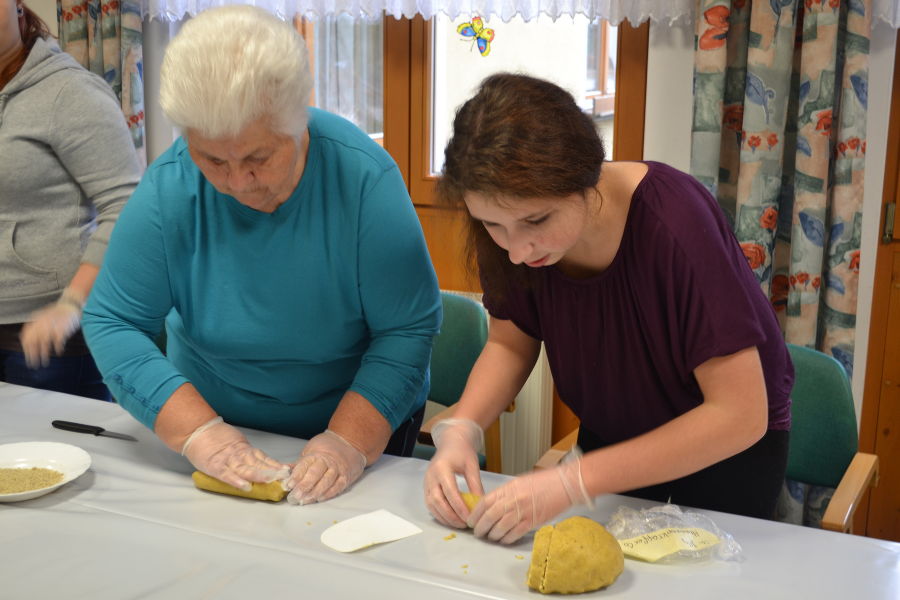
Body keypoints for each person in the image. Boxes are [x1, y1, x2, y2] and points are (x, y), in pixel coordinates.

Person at [81, 6, 441, 505]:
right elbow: (112, 321)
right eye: (212, 160)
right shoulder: (168, 190)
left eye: (257, 158)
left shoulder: (364, 181)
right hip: (213, 415)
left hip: (355, 416)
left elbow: (406, 331)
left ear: (300, 122)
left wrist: (346, 443)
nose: (236, 183)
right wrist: (200, 432)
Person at [423, 73, 794, 544]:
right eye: (493, 225)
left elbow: (739, 414)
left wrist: (572, 481)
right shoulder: (510, 225)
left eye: (537, 221)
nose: (517, 250)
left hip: (721, 455)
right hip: (611, 446)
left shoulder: (674, 226)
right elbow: (510, 344)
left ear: (586, 176)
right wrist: (462, 428)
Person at [0, 0, 141, 400]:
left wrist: (72, 304)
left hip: (46, 339)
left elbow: (126, 207)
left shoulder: (70, 91)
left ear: (17, 7)